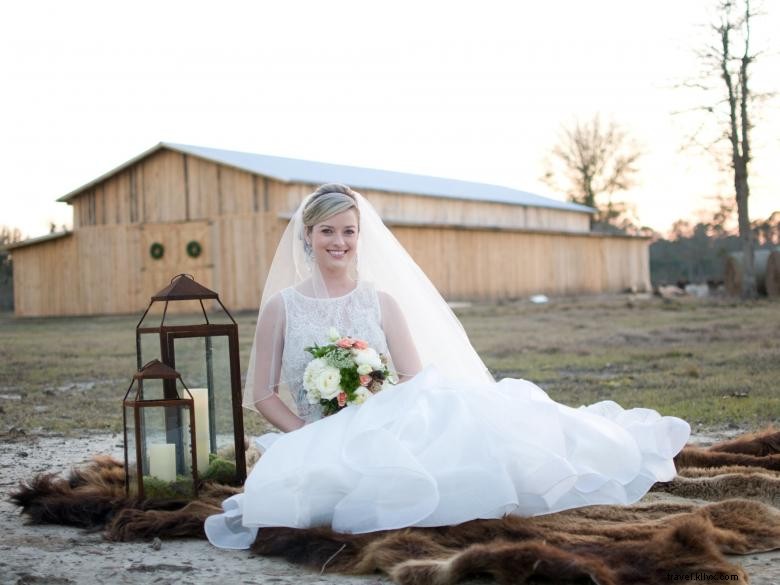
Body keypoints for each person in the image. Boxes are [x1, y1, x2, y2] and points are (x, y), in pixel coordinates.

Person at [205, 183, 690, 549]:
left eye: (348, 231)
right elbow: (264, 393)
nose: (339, 241)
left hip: (388, 417)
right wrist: (307, 435)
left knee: (478, 429)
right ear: (308, 237)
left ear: (359, 237)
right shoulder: (283, 308)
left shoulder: (381, 302)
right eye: (327, 231)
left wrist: (376, 400)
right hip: (318, 433)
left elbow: (415, 378)